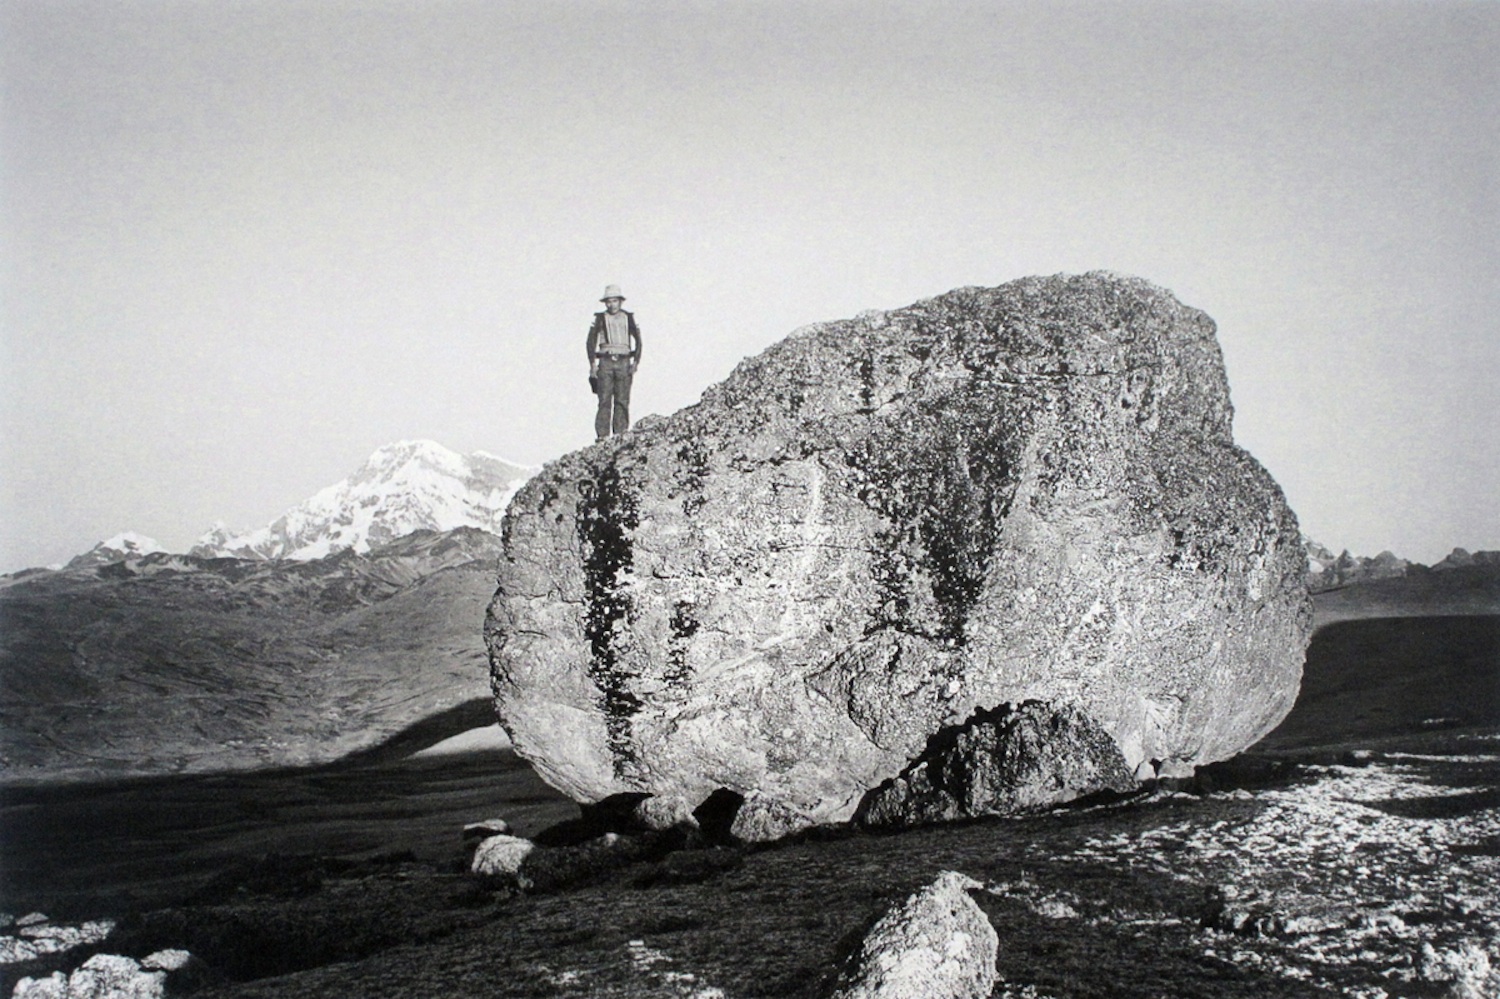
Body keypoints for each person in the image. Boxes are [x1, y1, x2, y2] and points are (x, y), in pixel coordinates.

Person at [586, 284, 642, 439]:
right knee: (604, 400)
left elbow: (638, 341)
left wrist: (635, 362)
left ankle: (620, 434)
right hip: (605, 361)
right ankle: (602, 437)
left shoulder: (629, 318)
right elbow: (590, 342)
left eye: (615, 301)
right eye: (609, 301)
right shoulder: (599, 318)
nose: (612, 305)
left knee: (622, 400)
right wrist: (592, 365)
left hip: (624, 362)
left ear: (620, 301)